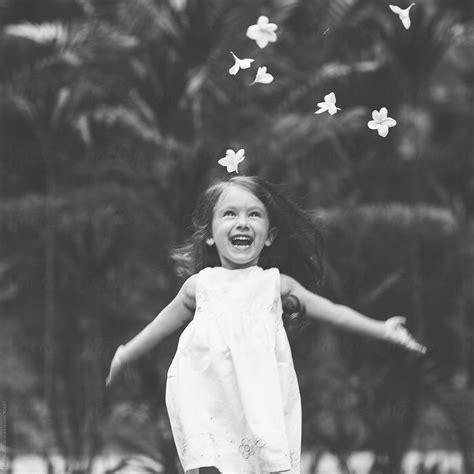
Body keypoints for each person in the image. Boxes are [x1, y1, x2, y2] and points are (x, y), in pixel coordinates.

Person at [106, 176, 426, 474]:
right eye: (229, 214)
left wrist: (383, 329)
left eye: (254, 215)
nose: (242, 222)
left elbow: (333, 311)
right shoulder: (199, 287)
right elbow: (157, 328)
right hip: (208, 405)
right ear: (208, 233)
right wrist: (122, 355)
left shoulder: (275, 286)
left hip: (260, 406)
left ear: (270, 235)